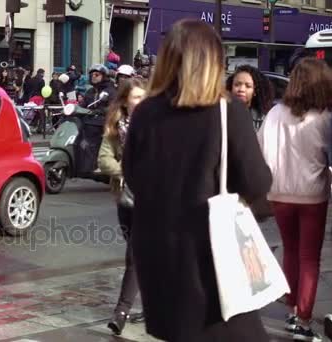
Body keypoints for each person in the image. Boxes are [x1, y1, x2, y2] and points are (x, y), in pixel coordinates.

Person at [123, 20, 272, 341]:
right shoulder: (228, 111)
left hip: (157, 251)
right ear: (213, 63)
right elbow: (257, 182)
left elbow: (132, 176)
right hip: (211, 254)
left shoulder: (146, 112)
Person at [258, 57, 332, 342]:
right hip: (312, 193)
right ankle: (303, 318)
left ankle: (291, 310)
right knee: (309, 258)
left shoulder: (275, 113)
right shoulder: (325, 117)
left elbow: (261, 147)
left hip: (279, 192)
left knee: (290, 251)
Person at [98, 79, 147, 335]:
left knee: (134, 255)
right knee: (140, 253)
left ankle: (121, 312)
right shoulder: (116, 128)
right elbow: (103, 159)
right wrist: (126, 171)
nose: (139, 102)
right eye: (135, 97)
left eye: (143, 97)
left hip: (150, 201)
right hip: (124, 198)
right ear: (126, 101)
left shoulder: (155, 127)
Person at [77, 64, 116, 175]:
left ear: (104, 76)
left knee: (93, 132)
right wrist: (75, 109)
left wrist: (101, 111)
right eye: (92, 75)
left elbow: (113, 107)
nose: (93, 76)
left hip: (104, 122)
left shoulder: (110, 91)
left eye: (97, 74)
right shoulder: (90, 91)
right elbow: (83, 105)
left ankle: (95, 164)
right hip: (89, 120)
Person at [226, 65, 274, 130]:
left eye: (248, 86)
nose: (241, 89)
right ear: (230, 87)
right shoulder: (221, 113)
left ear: (255, 91)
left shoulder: (263, 119)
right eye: (237, 84)